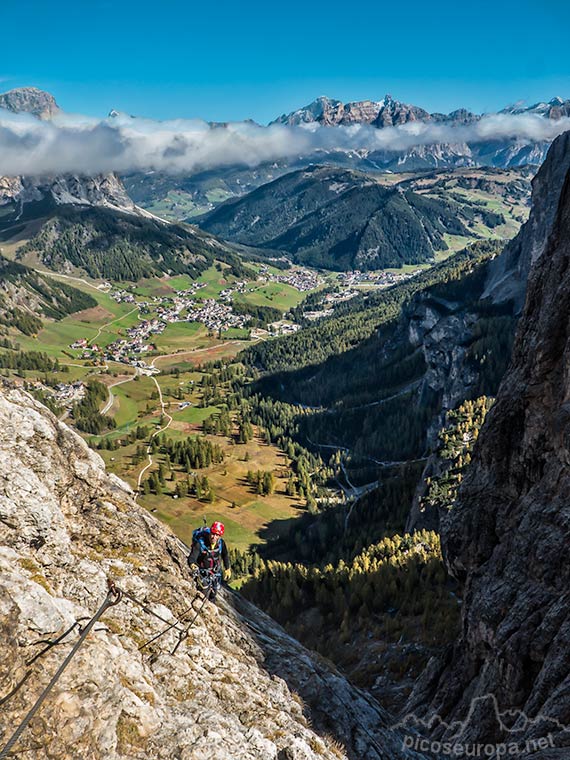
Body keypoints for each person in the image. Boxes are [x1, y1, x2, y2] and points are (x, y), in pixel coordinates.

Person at [187, 521, 231, 599]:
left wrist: (227, 568)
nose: (214, 537)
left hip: (214, 573)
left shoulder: (221, 543)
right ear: (210, 532)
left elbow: (225, 555)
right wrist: (193, 565)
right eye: (213, 534)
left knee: (213, 594)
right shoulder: (200, 544)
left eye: (217, 535)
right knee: (204, 593)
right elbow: (192, 558)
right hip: (202, 573)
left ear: (220, 536)